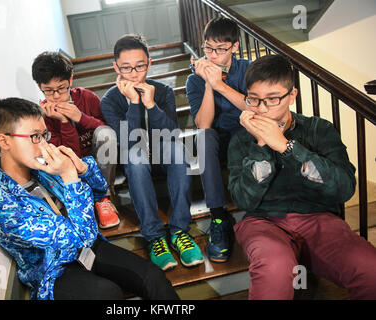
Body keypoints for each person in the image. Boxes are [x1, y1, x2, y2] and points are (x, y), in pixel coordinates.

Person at [0, 97, 179, 300]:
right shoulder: (5, 207)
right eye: (34, 137)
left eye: (44, 135)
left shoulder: (45, 169)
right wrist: (69, 176)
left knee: (152, 276)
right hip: (55, 270)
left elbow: (99, 191)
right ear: (4, 141)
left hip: (89, 249)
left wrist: (82, 169)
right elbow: (81, 236)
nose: (44, 145)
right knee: (107, 294)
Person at [227, 54, 376, 300]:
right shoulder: (241, 140)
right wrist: (262, 146)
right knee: (274, 270)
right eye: (254, 100)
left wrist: (287, 147)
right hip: (263, 222)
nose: (262, 109)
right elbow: (244, 200)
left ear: (292, 96)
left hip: (319, 220)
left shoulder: (320, 129)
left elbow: (345, 188)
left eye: (272, 99)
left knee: (370, 269)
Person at [100, 34, 204, 271]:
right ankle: (154, 236)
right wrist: (134, 103)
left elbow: (172, 133)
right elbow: (130, 140)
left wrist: (150, 104)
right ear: (116, 67)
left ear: (149, 63)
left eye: (140, 66)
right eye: (126, 68)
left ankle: (179, 232)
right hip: (137, 157)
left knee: (178, 151)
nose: (134, 73)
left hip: (163, 153)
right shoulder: (109, 100)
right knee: (134, 157)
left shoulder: (164, 91)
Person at [186, 17, 251, 262]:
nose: (213, 56)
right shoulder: (194, 80)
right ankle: (218, 216)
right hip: (217, 142)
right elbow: (203, 123)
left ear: (234, 47)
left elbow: (254, 109)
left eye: (220, 49)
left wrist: (221, 85)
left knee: (251, 129)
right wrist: (209, 85)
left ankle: (256, 208)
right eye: (208, 49)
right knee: (203, 137)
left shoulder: (247, 70)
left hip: (245, 136)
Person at [32, 51, 119, 229]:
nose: (55, 96)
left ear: (70, 80)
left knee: (106, 134)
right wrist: (64, 122)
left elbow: (109, 133)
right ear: (39, 86)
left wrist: (81, 118)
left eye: (61, 88)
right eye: (48, 91)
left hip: (99, 162)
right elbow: (73, 156)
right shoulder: (44, 117)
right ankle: (91, 198)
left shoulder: (87, 98)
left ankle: (103, 196)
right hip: (74, 167)